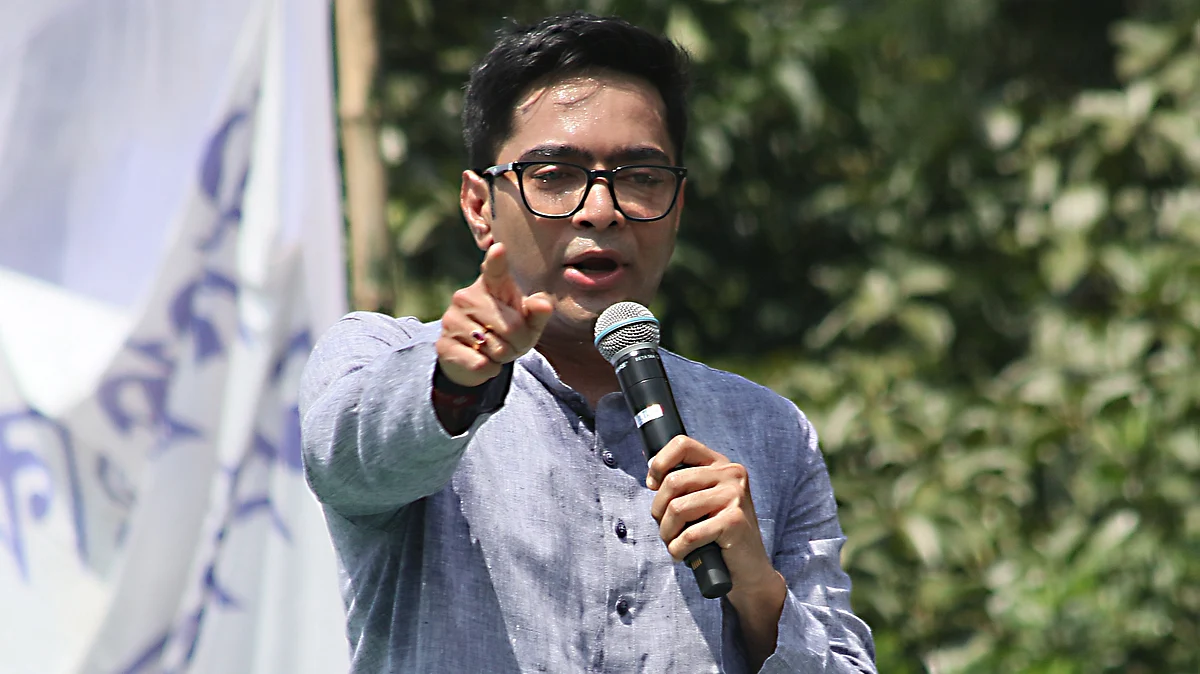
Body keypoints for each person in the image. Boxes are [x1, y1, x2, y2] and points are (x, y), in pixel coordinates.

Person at [300, 11, 876, 673]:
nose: (600, 209)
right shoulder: (379, 358)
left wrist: (758, 592)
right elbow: (345, 462)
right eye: (554, 175)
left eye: (641, 177)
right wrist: (454, 385)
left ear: (677, 208)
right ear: (479, 206)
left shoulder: (769, 431)